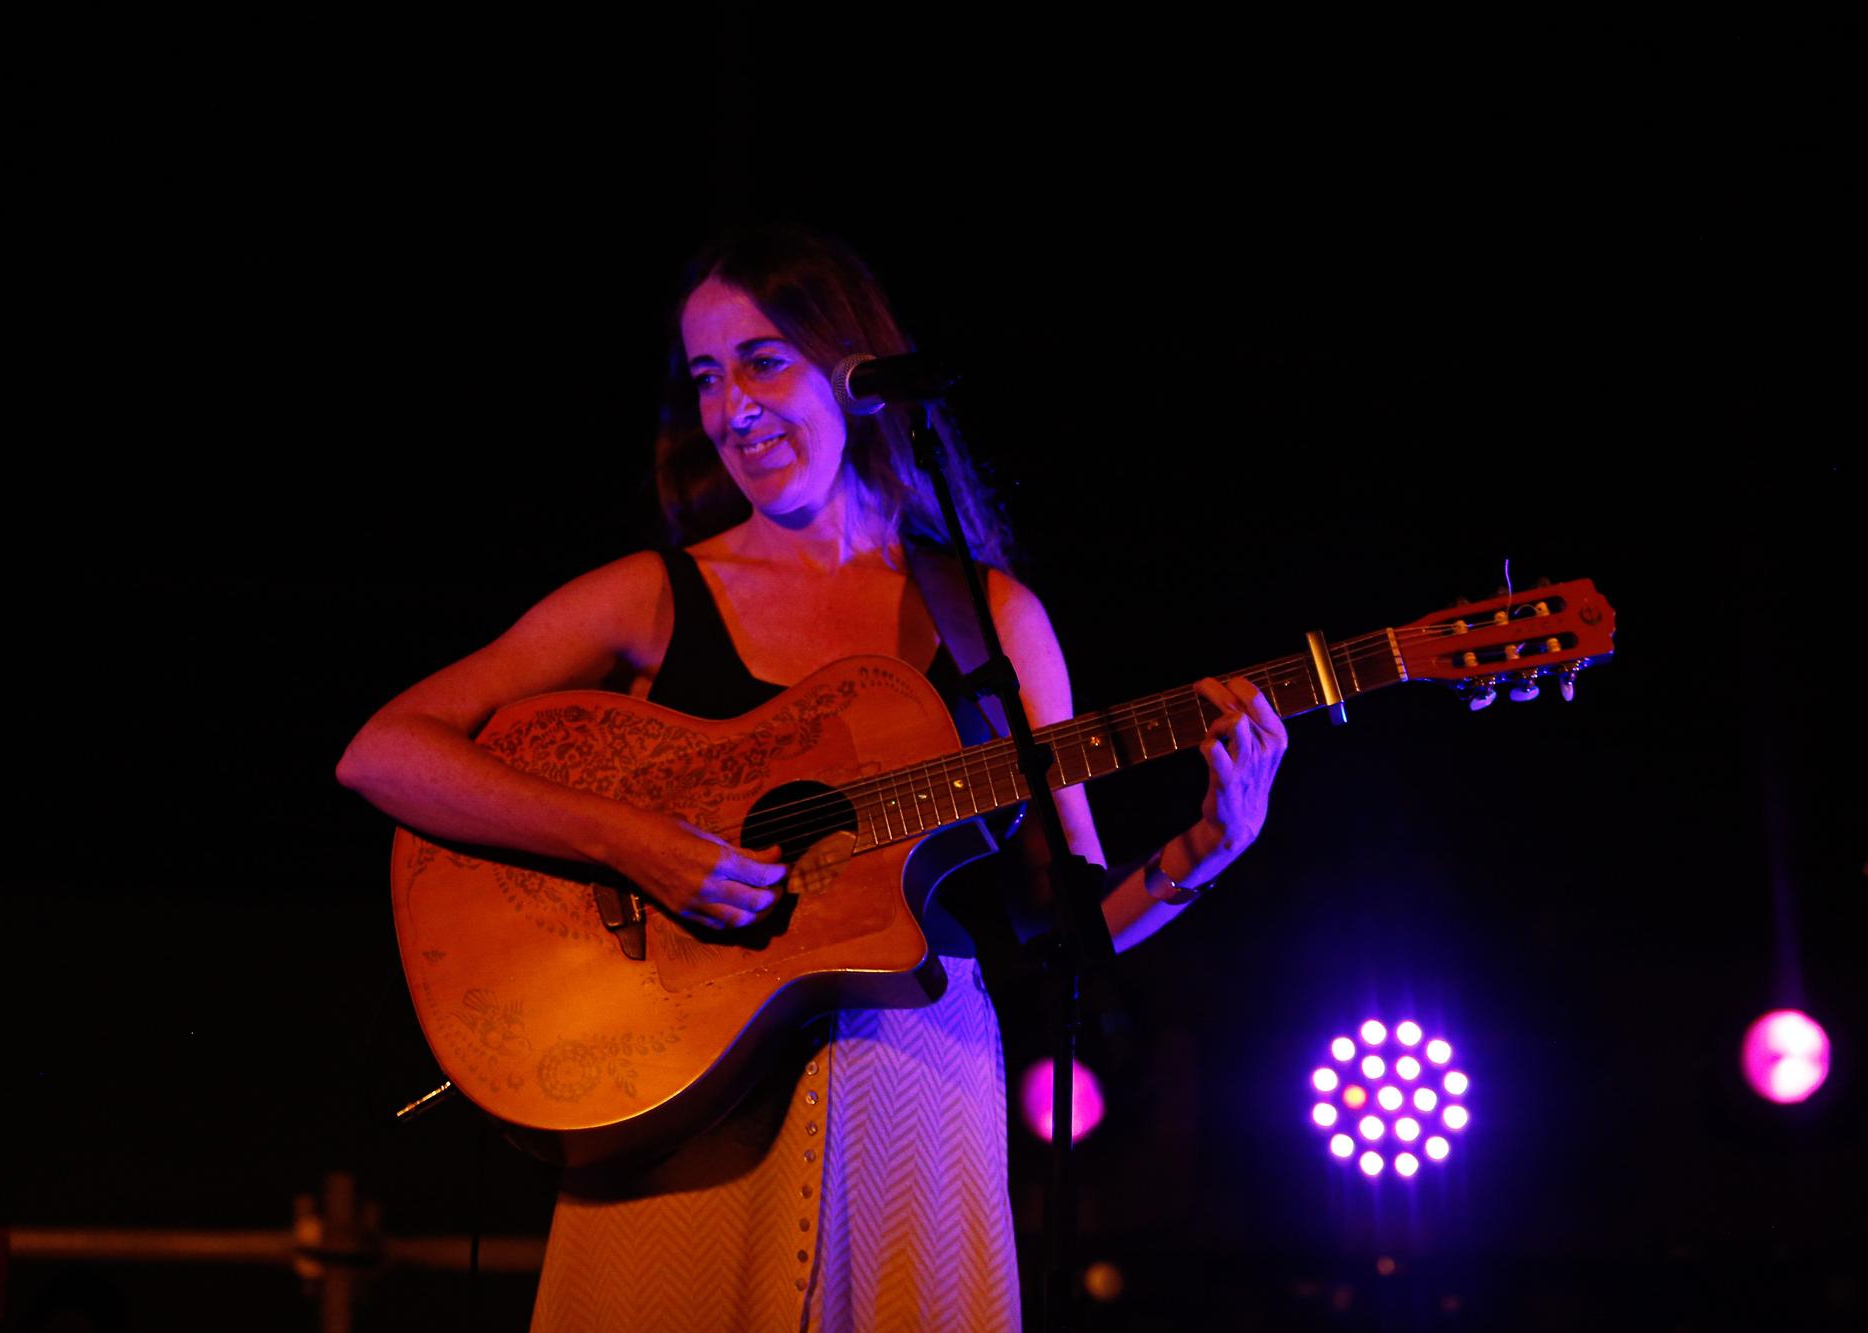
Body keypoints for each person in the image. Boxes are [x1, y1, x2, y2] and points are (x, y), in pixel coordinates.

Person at [335, 225, 1288, 1331]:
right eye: (704, 376)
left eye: (760, 360)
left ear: (853, 367)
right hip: (674, 1107)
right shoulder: (653, 595)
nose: (729, 408)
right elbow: (384, 749)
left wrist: (1209, 845)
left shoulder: (985, 620)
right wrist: (627, 839)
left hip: (912, 1105)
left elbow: (1064, 928)